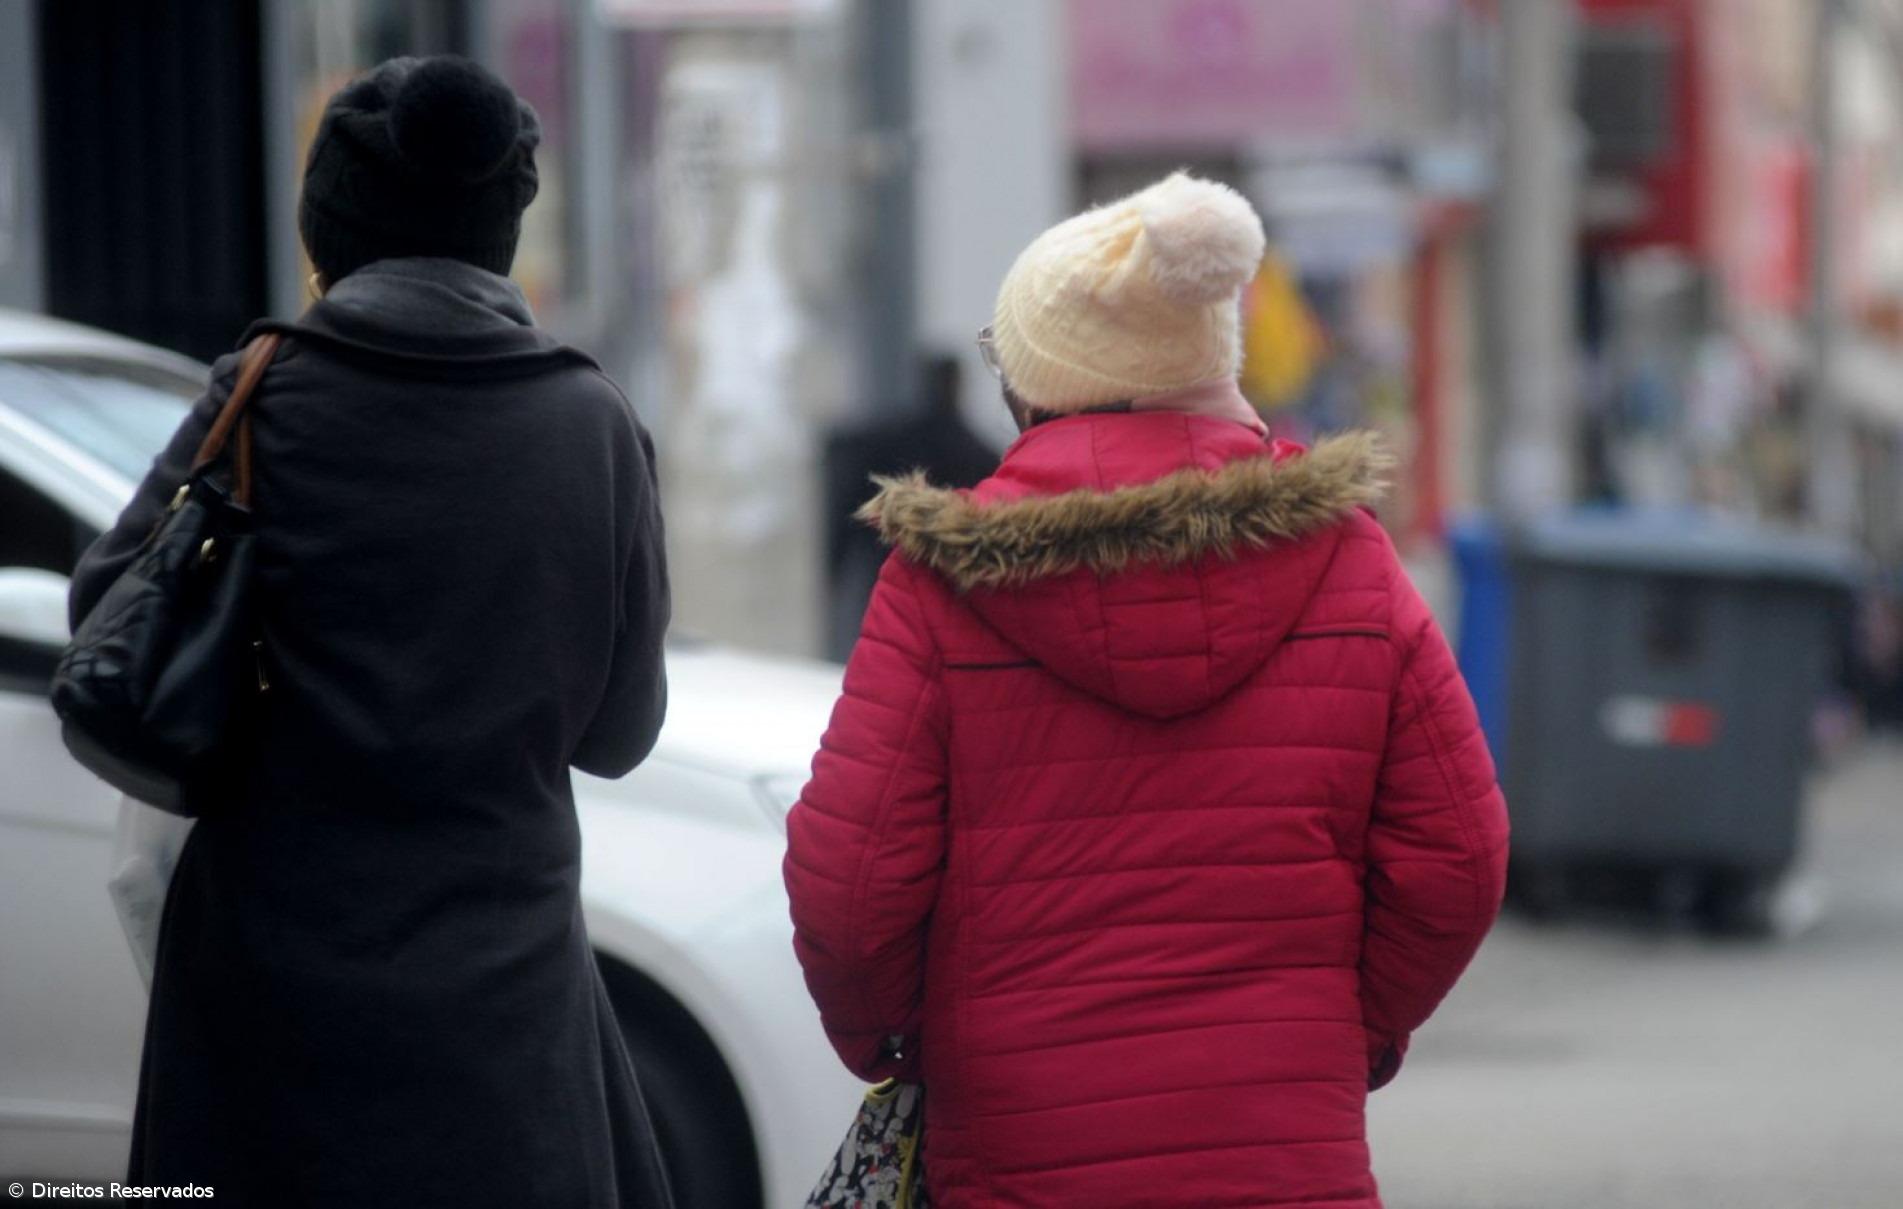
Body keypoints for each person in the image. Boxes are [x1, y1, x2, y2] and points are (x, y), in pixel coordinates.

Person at [784, 172, 1508, 1207]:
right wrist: (1349, 1028)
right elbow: (1458, 861)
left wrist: (899, 1035)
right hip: (1284, 1155)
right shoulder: (1347, 561)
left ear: (1044, 382)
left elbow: (847, 887)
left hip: (1018, 1154)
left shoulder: (941, 587)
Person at [67, 57, 673, 1207]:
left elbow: (107, 616)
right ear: (500, 231)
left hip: (265, 997)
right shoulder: (589, 423)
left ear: (328, 228)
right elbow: (620, 734)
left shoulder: (259, 394)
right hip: (504, 1009)